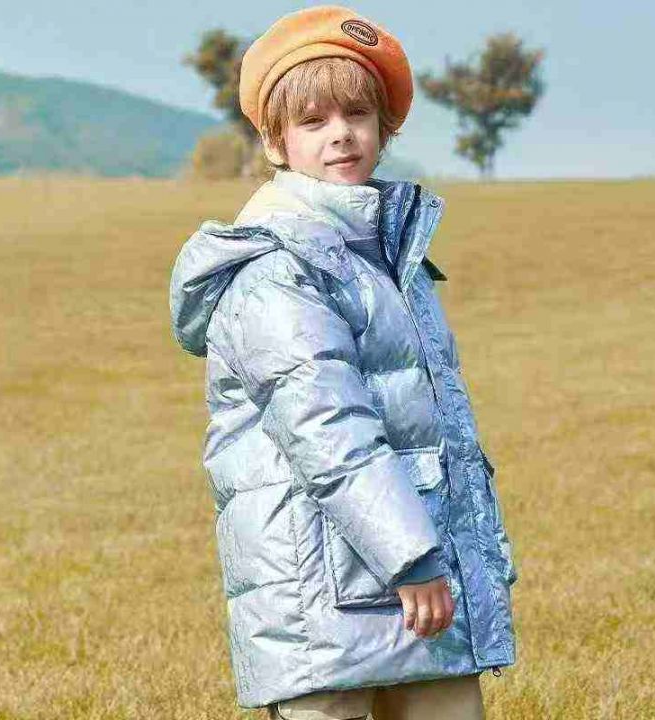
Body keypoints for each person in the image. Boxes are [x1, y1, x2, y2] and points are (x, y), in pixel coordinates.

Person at [169, 5, 518, 719]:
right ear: (275, 140)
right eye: (313, 121)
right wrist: (412, 555)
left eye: (357, 113)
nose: (341, 134)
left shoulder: (389, 251)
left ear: (385, 127)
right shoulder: (274, 270)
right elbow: (328, 428)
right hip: (320, 583)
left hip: (408, 571)